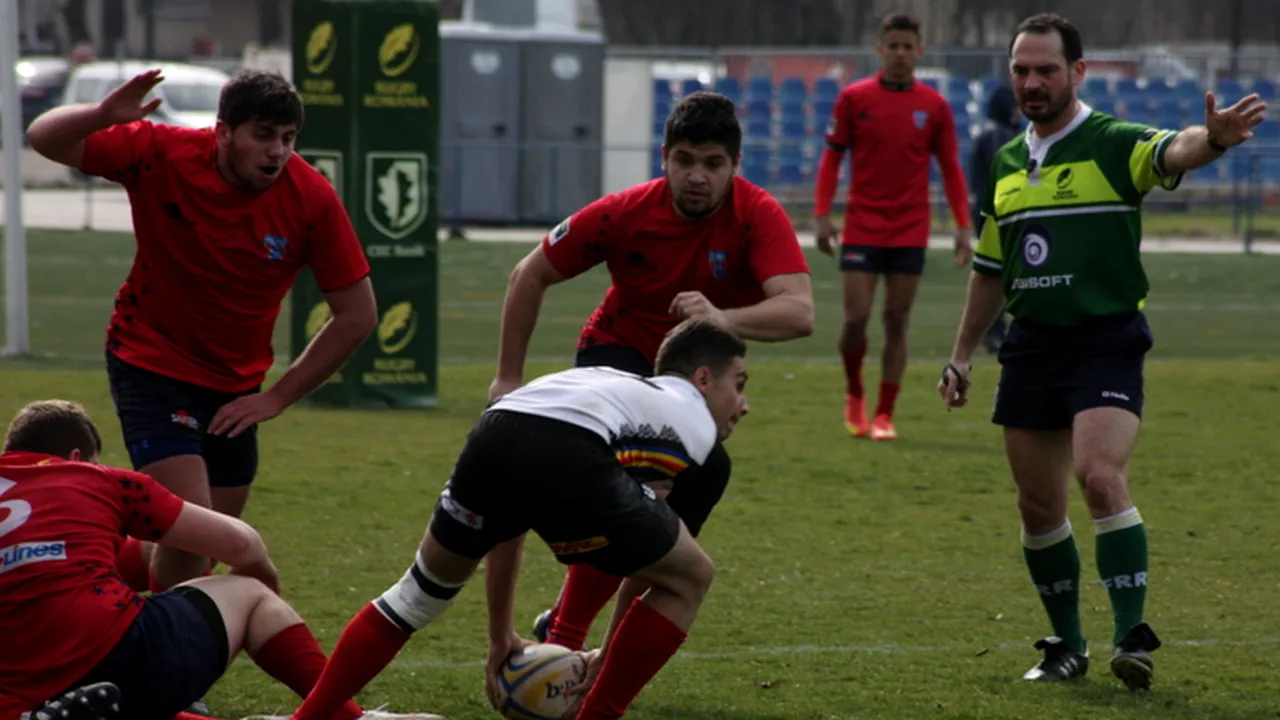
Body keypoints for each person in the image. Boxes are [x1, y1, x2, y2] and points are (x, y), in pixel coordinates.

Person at [938, 12, 1265, 691]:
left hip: (1104, 341)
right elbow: (993, 270)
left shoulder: (1111, 140)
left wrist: (1214, 140)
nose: (1032, 82)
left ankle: (1131, 637)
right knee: (1036, 506)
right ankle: (1068, 646)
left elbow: (1171, 151)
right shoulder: (1004, 162)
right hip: (1029, 346)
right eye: (1021, 70)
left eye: (1046, 70)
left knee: (1099, 475)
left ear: (1078, 73)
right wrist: (962, 353)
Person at [286, 320, 750, 720]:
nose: (743, 405)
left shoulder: (613, 387)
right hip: (569, 445)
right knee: (692, 576)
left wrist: (500, 636)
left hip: (497, 428)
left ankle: (309, 718)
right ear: (703, 378)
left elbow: (509, 526)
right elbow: (652, 569)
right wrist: (606, 661)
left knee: (415, 598)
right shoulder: (697, 431)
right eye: (740, 384)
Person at [25, 68, 378, 592]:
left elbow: (358, 315)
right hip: (150, 360)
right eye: (263, 135)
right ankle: (162, 664)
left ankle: (81, 570)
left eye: (287, 138)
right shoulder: (162, 152)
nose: (277, 152)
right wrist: (101, 116)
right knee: (199, 536)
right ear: (223, 131)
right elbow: (43, 137)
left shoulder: (311, 198)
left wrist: (277, 397)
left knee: (199, 541)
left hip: (235, 390)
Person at [487, 91, 813, 653]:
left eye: (712, 164)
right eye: (685, 160)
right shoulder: (625, 212)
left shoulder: (758, 214)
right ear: (664, 158)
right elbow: (528, 274)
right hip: (616, 354)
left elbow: (800, 311)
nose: (696, 176)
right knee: (646, 484)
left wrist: (721, 316)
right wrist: (507, 378)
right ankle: (567, 640)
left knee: (698, 485)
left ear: (735, 166)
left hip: (692, 376)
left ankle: (604, 648)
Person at [0, 400, 430, 720]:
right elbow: (241, 544)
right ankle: (343, 717)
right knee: (247, 594)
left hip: (20, 688)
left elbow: (118, 556)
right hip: (118, 657)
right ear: (79, 459)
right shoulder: (99, 480)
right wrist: (263, 587)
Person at [814, 12, 973, 441]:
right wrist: (823, 214)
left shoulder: (934, 107)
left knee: (897, 321)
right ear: (880, 49)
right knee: (855, 319)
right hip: (863, 225)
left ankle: (884, 413)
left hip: (909, 228)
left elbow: (951, 170)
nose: (901, 53)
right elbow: (831, 158)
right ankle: (854, 394)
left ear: (920, 51)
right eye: (893, 45)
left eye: (909, 46)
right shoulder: (853, 99)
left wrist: (963, 226)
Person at [968, 84, 1022, 353]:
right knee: (1000, 274)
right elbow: (1006, 173)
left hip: (988, 210)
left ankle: (996, 328)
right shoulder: (997, 135)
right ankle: (994, 330)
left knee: (1000, 273)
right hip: (998, 213)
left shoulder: (994, 132)